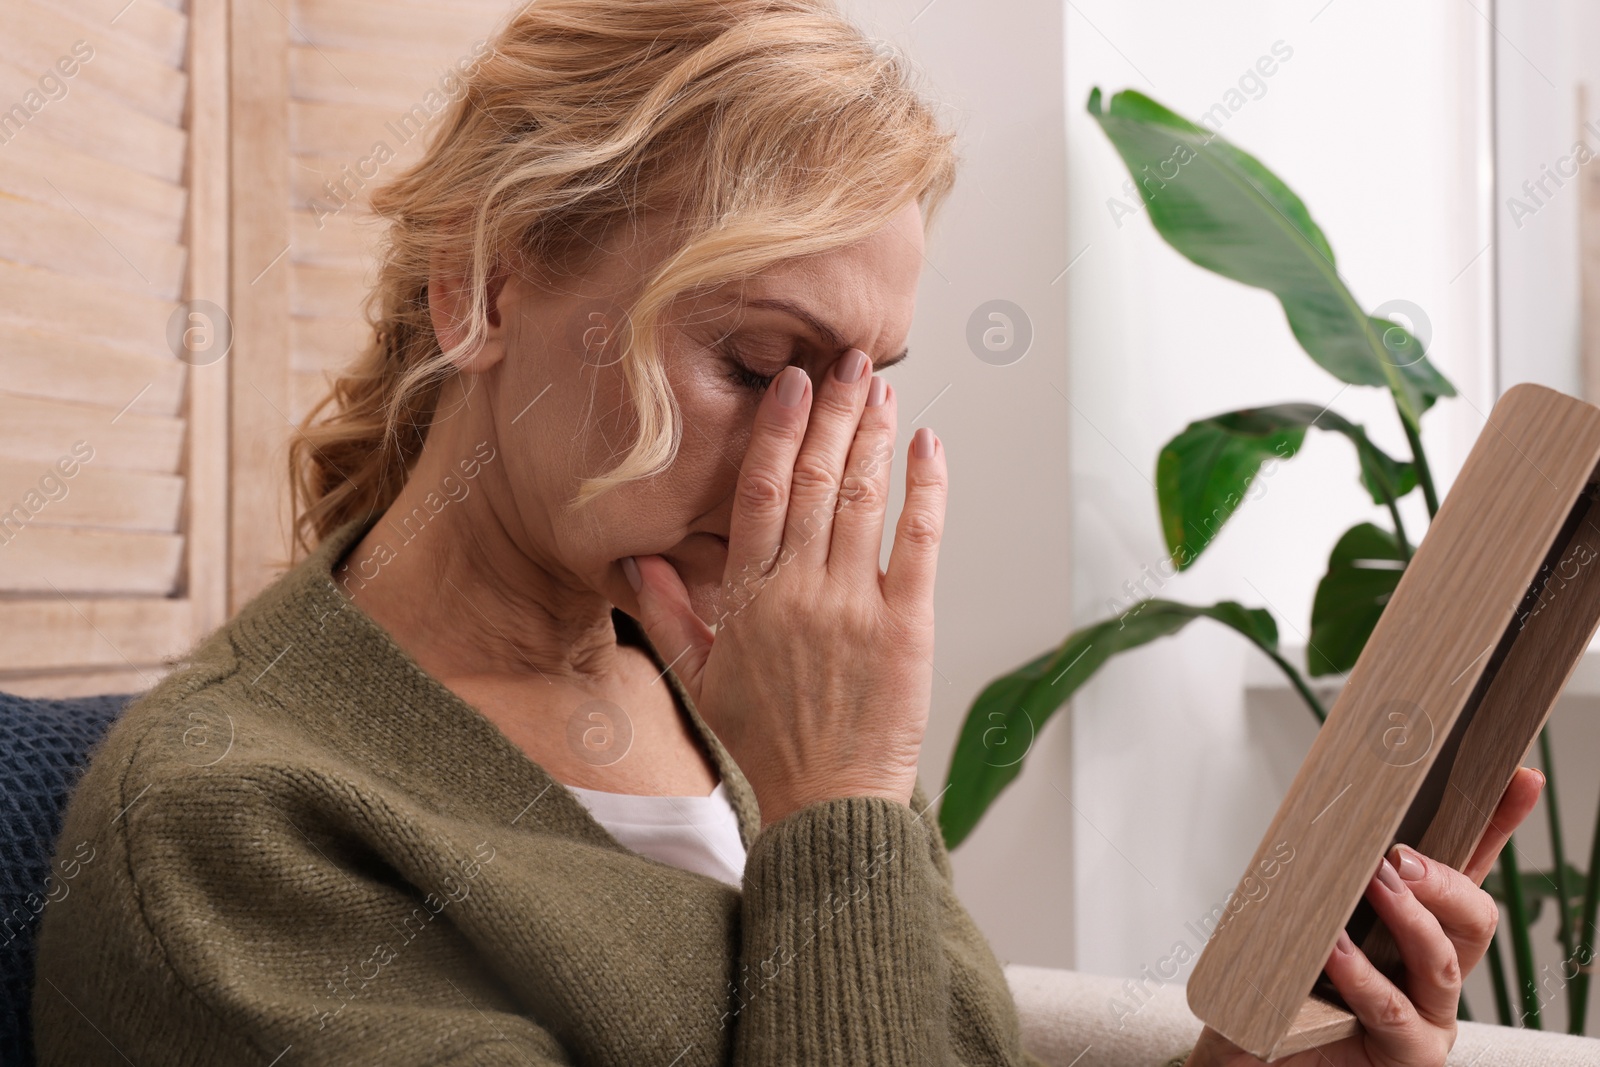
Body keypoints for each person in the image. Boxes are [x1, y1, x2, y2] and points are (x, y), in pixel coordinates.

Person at [31, 0, 1539, 1064]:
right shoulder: (230, 826)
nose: (812, 462)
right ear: (483, 283)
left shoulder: (730, 685)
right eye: (758, 364)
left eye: (864, 382)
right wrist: (839, 802)